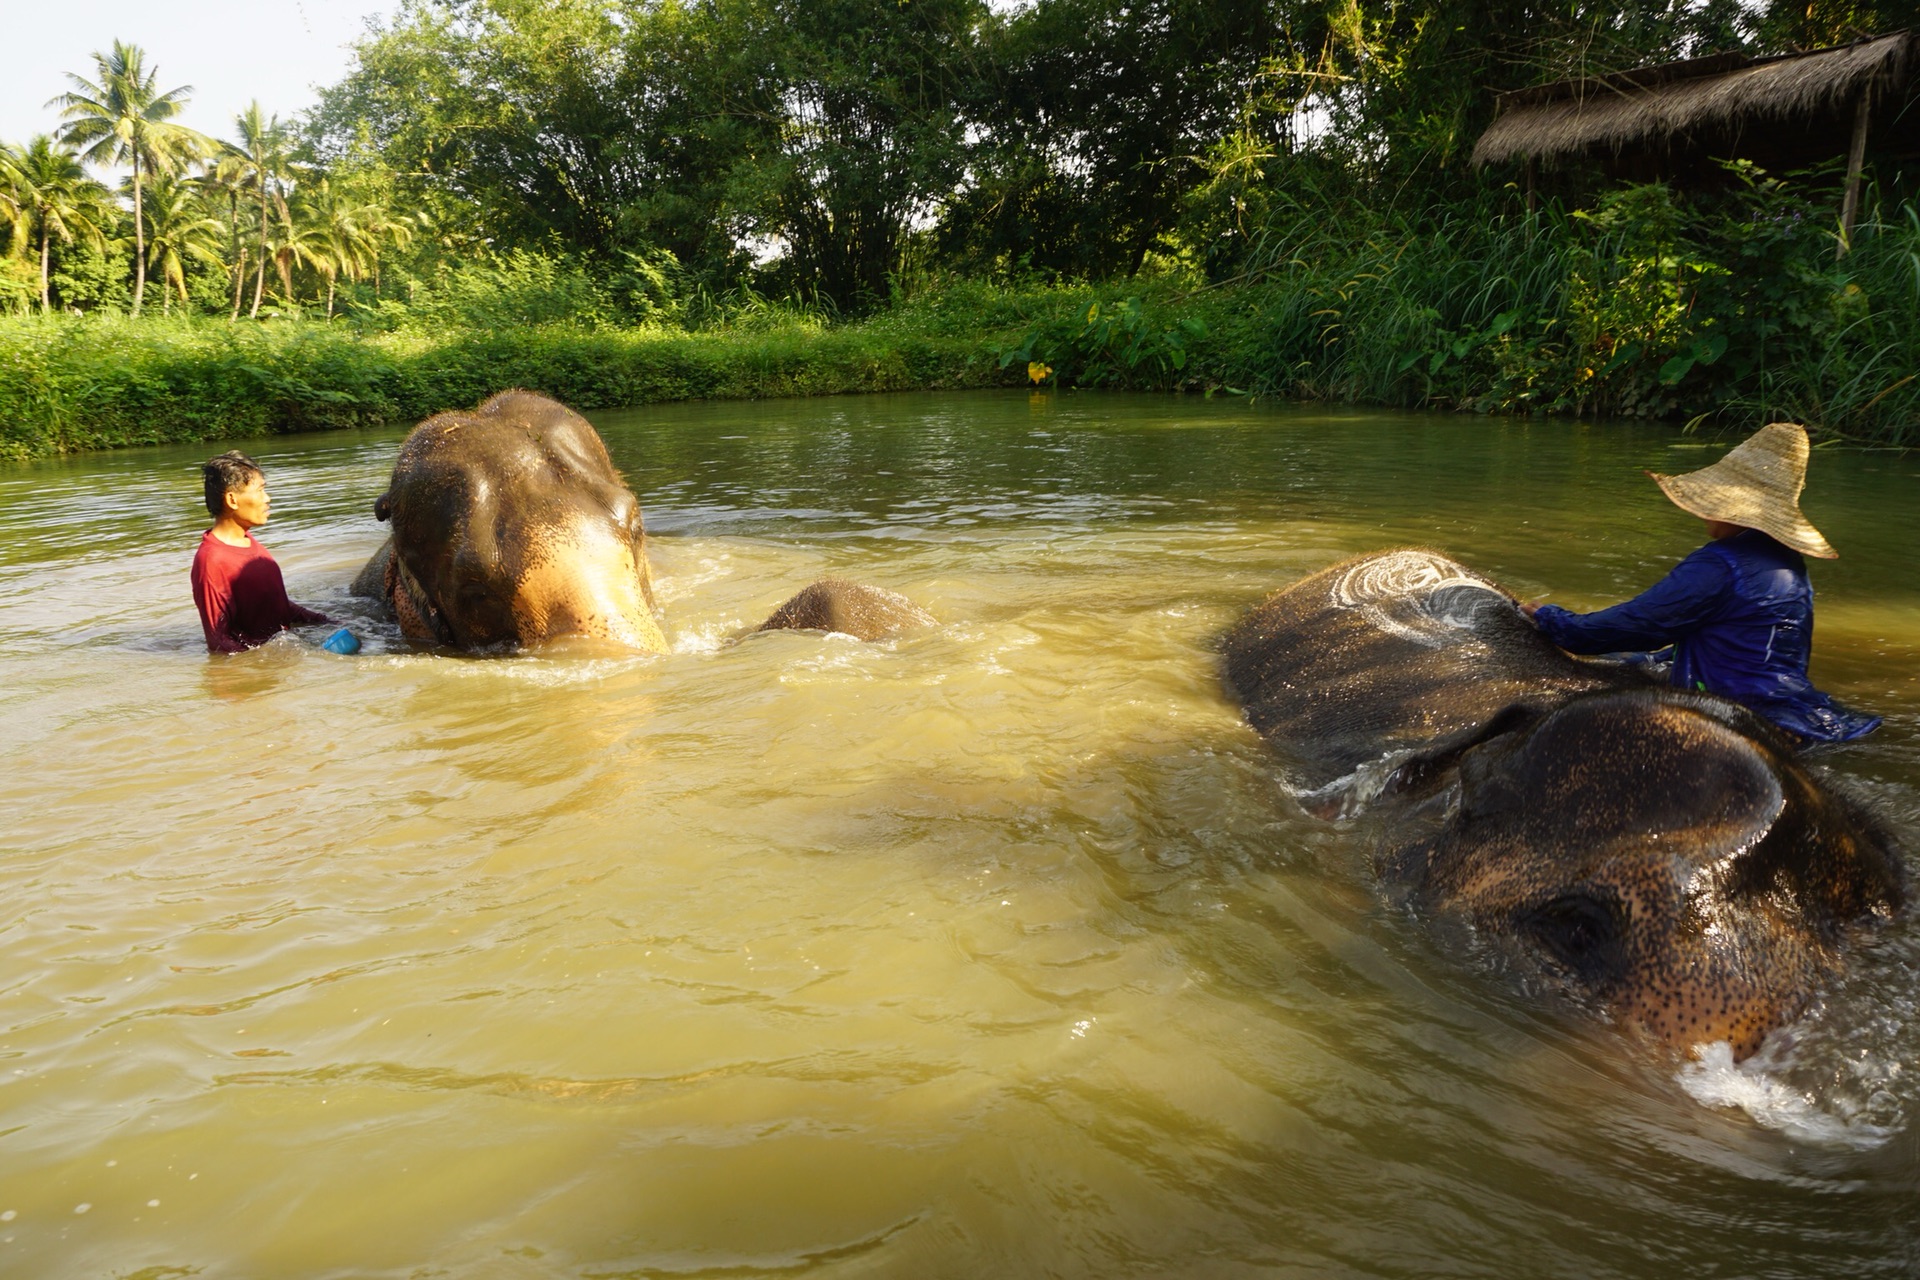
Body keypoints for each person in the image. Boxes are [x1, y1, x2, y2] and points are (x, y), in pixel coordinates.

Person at [1522, 422, 1879, 745]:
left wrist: (1556, 622)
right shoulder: (1787, 563)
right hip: (1798, 712)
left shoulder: (1719, 564)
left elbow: (1640, 623)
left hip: (1735, 710)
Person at [190, 450, 332, 654]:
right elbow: (218, 641)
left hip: (283, 655)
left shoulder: (249, 543)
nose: (267, 498)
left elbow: (276, 604)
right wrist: (264, 665)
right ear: (232, 500)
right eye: (260, 490)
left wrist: (326, 621)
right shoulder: (212, 560)